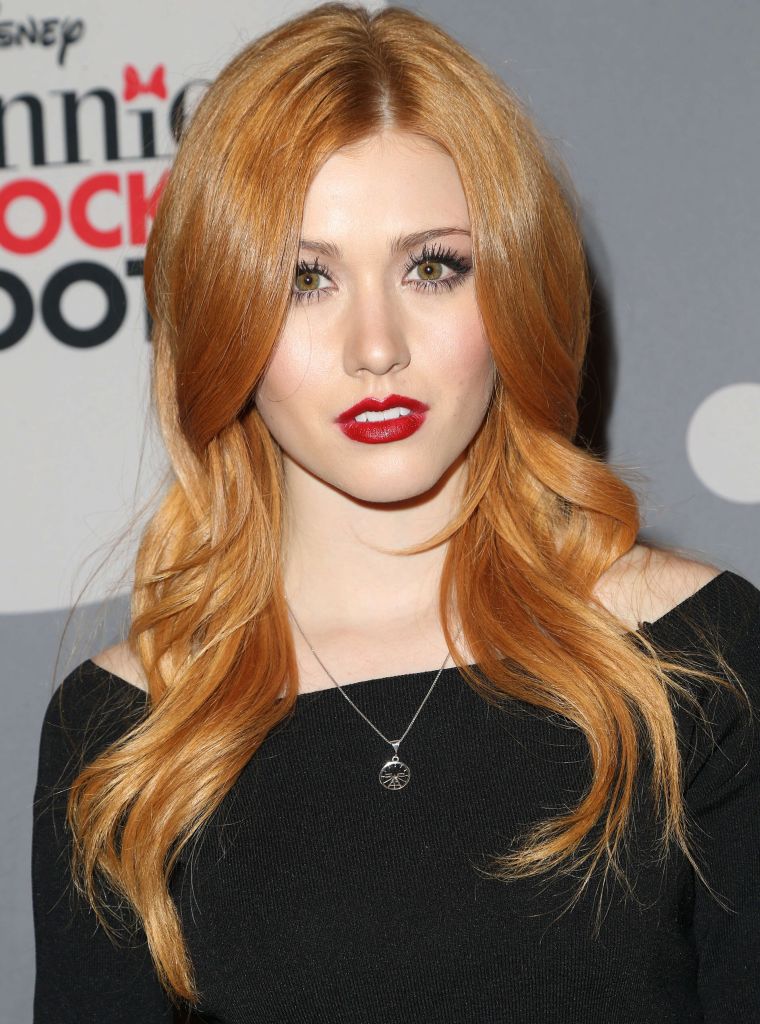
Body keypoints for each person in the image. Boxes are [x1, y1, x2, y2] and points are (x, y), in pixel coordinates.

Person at [31, 3, 760, 1022]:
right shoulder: (130, 733)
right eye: (304, 279)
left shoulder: (695, 659)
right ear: (220, 316)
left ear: (512, 287)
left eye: (432, 266)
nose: (376, 345)